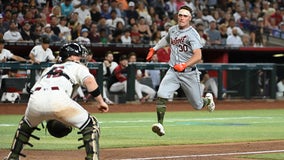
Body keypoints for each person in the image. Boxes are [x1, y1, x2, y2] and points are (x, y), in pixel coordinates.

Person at [3, 43, 109, 160]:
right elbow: (89, 82)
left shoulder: (49, 68)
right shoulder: (78, 67)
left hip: (35, 100)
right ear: (72, 57)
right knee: (91, 125)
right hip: (58, 99)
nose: (82, 58)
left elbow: (34, 90)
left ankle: (13, 157)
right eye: (79, 55)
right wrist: (101, 101)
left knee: (25, 126)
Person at [146, 6, 215, 136]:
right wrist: (154, 49)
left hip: (189, 73)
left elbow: (198, 56)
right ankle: (160, 124)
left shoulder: (192, 34)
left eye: (185, 16)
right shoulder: (173, 30)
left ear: (189, 18)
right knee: (161, 94)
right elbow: (166, 39)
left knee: (197, 105)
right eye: (180, 15)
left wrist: (184, 65)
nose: (182, 18)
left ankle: (208, 100)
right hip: (173, 71)